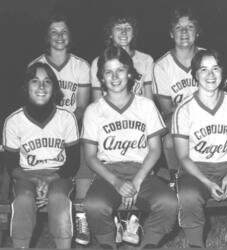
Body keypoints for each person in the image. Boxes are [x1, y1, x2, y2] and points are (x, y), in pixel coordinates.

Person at [81, 46, 178, 249]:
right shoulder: (93, 110)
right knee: (94, 204)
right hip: (109, 173)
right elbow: (90, 157)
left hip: (142, 171)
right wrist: (116, 182)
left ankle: (148, 242)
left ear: (130, 73)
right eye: (108, 71)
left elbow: (155, 149)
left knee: (168, 203)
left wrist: (137, 181)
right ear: (101, 77)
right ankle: (108, 242)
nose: (115, 77)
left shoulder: (145, 106)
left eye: (120, 70)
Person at [172, 49, 227, 248]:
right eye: (204, 70)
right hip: (195, 171)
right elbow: (183, 157)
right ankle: (196, 245)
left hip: (226, 168)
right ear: (195, 75)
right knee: (189, 196)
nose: (211, 75)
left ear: (223, 73)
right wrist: (206, 182)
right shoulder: (184, 109)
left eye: (215, 68)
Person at [28, 12, 91, 245]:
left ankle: (82, 210)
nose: (59, 36)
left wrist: (67, 124)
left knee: (85, 142)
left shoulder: (81, 65)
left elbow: (83, 105)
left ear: (70, 35)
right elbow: (32, 106)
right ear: (47, 37)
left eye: (64, 31)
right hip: (44, 128)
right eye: (54, 32)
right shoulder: (35, 65)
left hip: (73, 123)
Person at [2, 62, 79, 249]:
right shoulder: (14, 120)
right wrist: (36, 180)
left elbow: (73, 162)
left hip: (59, 174)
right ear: (26, 86)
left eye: (47, 82)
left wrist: (50, 179)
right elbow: (12, 166)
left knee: (58, 198)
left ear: (54, 88)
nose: (41, 87)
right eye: (35, 81)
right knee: (23, 199)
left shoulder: (66, 118)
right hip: (25, 175)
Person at [153, 6, 202, 181]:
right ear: (171, 34)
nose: (184, 32)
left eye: (189, 27)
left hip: (208, 117)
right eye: (178, 27)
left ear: (197, 32)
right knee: (168, 138)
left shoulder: (208, 58)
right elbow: (167, 110)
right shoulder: (162, 66)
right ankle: (176, 178)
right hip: (178, 118)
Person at [91, 15, 154, 100]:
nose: (123, 32)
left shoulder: (146, 60)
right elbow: (97, 102)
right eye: (118, 28)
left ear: (133, 33)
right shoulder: (97, 62)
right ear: (110, 34)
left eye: (128, 28)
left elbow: (149, 100)